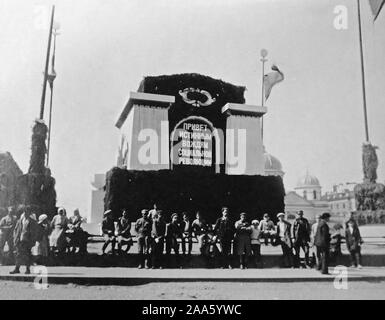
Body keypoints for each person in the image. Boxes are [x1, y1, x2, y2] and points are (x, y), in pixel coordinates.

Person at [10, 207, 38, 274]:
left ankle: (27, 269)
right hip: (19, 240)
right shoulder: (20, 220)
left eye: (27, 211)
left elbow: (34, 232)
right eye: (25, 211)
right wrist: (15, 238)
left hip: (27, 240)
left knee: (27, 255)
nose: (26, 213)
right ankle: (17, 269)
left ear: (30, 213)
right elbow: (16, 230)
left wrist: (32, 241)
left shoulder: (32, 221)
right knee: (18, 254)